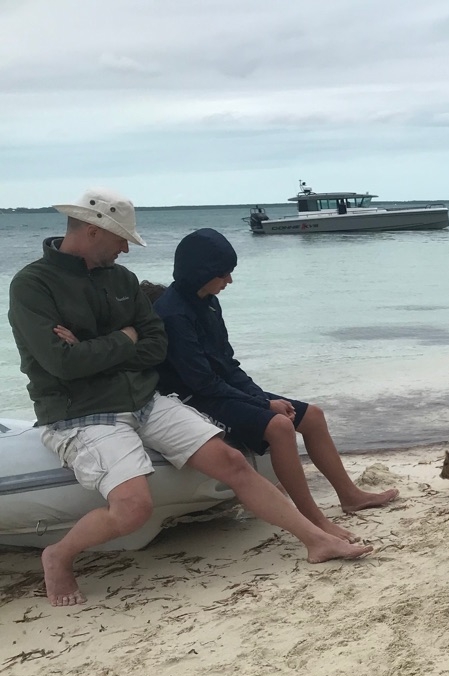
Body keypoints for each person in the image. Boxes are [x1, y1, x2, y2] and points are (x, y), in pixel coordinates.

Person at [7, 189, 372, 607]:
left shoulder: (122, 281)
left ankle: (316, 540)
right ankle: (58, 555)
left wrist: (96, 347)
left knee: (233, 462)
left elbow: (155, 346)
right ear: (93, 232)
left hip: (144, 398)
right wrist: (123, 339)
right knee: (132, 509)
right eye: (121, 238)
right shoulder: (32, 286)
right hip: (82, 413)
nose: (127, 247)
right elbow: (62, 364)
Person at [153, 228, 397, 542]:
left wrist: (257, 396)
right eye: (224, 273)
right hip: (193, 397)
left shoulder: (209, 302)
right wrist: (263, 404)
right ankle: (315, 520)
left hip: (221, 388)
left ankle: (350, 495)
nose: (229, 280)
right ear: (202, 272)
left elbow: (228, 363)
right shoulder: (172, 313)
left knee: (313, 416)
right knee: (280, 427)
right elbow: (201, 381)